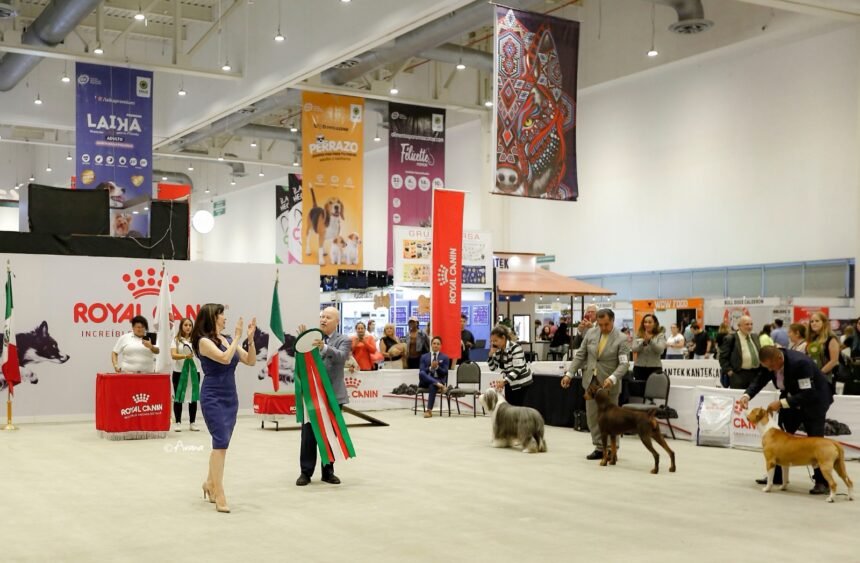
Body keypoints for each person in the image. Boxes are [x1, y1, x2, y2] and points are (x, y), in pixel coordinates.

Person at [738, 346, 834, 494]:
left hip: (814, 401)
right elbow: (760, 379)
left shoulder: (800, 363)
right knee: (779, 438)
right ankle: (776, 475)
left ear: (779, 358)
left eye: (771, 366)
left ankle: (822, 482)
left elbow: (808, 392)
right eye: (766, 367)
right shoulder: (769, 363)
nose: (770, 370)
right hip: (791, 399)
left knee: (815, 441)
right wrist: (747, 395)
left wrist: (782, 403)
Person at [193, 303, 256, 514]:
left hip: (230, 396)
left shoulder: (228, 339)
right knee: (220, 442)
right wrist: (237, 337)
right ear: (212, 317)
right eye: (221, 314)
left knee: (223, 443)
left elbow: (250, 360)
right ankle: (219, 492)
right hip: (212, 395)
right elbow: (224, 358)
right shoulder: (203, 341)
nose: (225, 318)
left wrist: (250, 339)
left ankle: (209, 483)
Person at [561, 309, 630, 460]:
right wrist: (569, 374)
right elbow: (580, 355)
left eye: (606, 324)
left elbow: (624, 364)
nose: (603, 327)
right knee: (593, 417)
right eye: (600, 324)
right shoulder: (591, 333)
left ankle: (612, 449)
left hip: (609, 384)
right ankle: (599, 447)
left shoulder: (622, 338)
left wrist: (613, 378)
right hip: (590, 382)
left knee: (611, 419)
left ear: (613, 320)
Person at [296, 307, 351, 487]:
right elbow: (302, 361)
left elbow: (342, 357)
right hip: (312, 395)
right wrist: (303, 342)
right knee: (308, 436)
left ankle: (328, 472)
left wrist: (324, 347)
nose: (323, 320)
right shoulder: (312, 337)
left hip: (332, 396)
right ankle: (305, 472)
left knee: (330, 435)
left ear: (337, 321)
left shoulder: (343, 340)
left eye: (328, 317)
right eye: (321, 316)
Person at [487, 325, 533, 406]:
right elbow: (493, 368)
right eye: (491, 341)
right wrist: (490, 355)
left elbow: (518, 369)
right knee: (510, 408)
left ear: (503, 338)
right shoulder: (498, 350)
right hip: (509, 381)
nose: (493, 343)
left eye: (495, 340)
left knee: (518, 408)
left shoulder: (515, 348)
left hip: (521, 382)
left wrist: (504, 381)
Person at [170, 317, 200, 432]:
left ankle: (192, 422)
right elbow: (173, 355)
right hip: (179, 372)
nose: (188, 327)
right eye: (185, 325)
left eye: (190, 325)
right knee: (178, 397)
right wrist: (185, 356)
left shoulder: (197, 340)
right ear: (181, 326)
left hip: (194, 372)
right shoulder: (176, 340)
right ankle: (178, 422)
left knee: (193, 397)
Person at [718, 315, 762, 389]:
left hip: (755, 375)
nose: (750, 326)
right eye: (747, 324)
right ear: (739, 326)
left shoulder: (755, 337)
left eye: (751, 324)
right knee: (739, 396)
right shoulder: (730, 338)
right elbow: (723, 357)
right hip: (738, 375)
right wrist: (729, 371)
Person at [630, 314, 665, 398]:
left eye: (650, 322)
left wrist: (650, 341)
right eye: (645, 322)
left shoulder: (660, 335)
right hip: (639, 367)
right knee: (639, 392)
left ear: (655, 323)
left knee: (653, 392)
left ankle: (651, 406)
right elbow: (634, 349)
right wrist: (643, 343)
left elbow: (660, 350)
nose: (647, 324)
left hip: (654, 368)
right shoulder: (638, 334)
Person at [806, 311, 841, 390]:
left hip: (827, 377)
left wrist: (819, 373)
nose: (814, 323)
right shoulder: (813, 339)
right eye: (812, 321)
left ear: (824, 323)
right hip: (814, 377)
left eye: (817, 321)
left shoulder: (831, 338)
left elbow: (834, 361)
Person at [418, 336, 450, 418]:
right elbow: (421, 371)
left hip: (439, 379)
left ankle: (429, 411)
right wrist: (430, 368)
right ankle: (439, 385)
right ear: (431, 345)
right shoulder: (424, 357)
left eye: (438, 344)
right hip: (425, 381)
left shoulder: (445, 357)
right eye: (434, 343)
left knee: (432, 385)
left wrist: (437, 367)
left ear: (441, 346)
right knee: (422, 373)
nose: (436, 345)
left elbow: (445, 372)